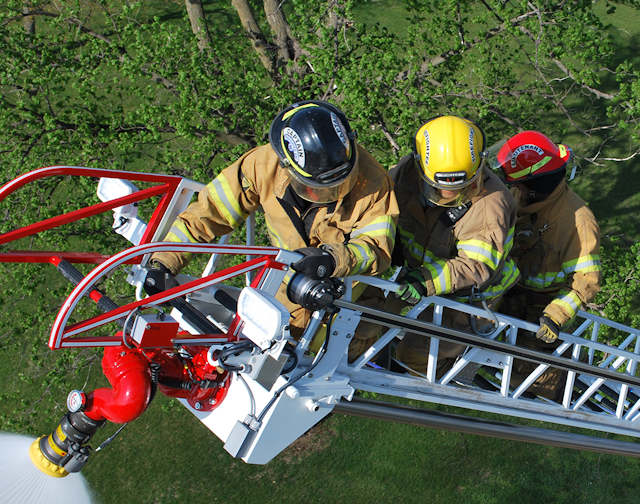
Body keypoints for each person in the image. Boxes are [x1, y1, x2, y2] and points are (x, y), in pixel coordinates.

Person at [148, 100, 398, 357]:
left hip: (347, 297)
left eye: (338, 186)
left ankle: (375, 354)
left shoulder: (375, 183)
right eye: (319, 188)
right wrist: (163, 264)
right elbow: (208, 213)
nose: (330, 195)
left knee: (342, 355)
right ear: (286, 167)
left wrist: (332, 259)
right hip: (286, 290)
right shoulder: (261, 166)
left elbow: (376, 248)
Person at [388, 115, 519, 376]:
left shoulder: (489, 204)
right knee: (365, 322)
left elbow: (475, 266)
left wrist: (423, 280)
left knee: (412, 357)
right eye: (437, 189)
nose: (452, 196)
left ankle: (458, 370)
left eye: (464, 186)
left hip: (466, 300)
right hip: (415, 277)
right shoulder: (406, 173)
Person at [487, 131, 601, 401]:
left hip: (544, 303)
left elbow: (586, 280)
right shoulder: (521, 194)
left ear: (535, 185)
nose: (508, 185)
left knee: (533, 365)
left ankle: (551, 395)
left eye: (514, 181)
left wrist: (556, 315)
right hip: (511, 288)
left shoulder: (577, 222)